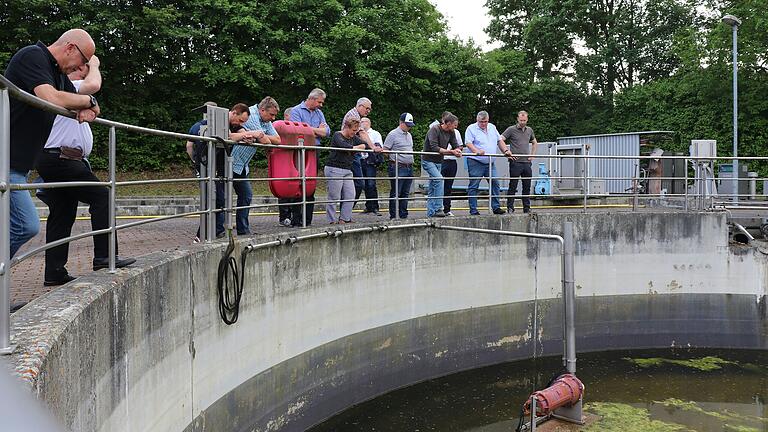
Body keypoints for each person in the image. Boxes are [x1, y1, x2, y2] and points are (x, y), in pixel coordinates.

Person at [36, 59, 135, 285]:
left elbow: (92, 98)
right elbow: (93, 87)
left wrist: (91, 106)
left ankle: (54, 272)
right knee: (102, 196)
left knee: (62, 213)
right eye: (81, 67)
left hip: (58, 158)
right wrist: (95, 66)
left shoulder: (65, 92)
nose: (82, 72)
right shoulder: (66, 88)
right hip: (61, 158)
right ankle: (104, 256)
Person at [5, 29, 100, 259]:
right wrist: (89, 101)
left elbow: (86, 104)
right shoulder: (33, 56)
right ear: (70, 48)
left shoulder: (57, 74)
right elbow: (53, 98)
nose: (80, 68)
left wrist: (91, 105)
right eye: (83, 61)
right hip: (4, 162)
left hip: (17, 166)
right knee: (26, 225)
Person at [187, 103, 257, 240]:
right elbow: (228, 136)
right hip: (208, 168)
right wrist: (199, 165)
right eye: (241, 120)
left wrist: (247, 136)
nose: (241, 123)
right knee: (214, 200)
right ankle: (202, 235)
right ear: (234, 113)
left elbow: (189, 147)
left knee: (218, 200)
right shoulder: (216, 125)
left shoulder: (228, 125)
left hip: (212, 168)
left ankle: (212, 232)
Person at [237, 96, 281, 234]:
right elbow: (264, 140)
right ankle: (219, 229)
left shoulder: (264, 120)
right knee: (223, 197)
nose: (273, 118)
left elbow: (278, 140)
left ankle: (243, 230)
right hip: (231, 161)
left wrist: (264, 138)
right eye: (272, 115)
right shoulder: (251, 115)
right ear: (262, 110)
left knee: (246, 195)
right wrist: (264, 139)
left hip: (242, 165)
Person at [325, 118, 381, 224]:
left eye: (356, 131)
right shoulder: (337, 135)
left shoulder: (353, 137)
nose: (354, 133)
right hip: (334, 168)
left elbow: (365, 145)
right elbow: (346, 147)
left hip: (347, 169)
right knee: (334, 196)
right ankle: (331, 220)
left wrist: (360, 147)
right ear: (346, 127)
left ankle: (344, 218)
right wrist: (357, 147)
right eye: (353, 131)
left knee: (351, 194)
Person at [289, 88, 331, 227]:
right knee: (298, 184)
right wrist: (316, 130)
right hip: (300, 151)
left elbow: (326, 132)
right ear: (312, 99)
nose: (321, 105)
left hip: (314, 151)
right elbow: (298, 131)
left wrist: (309, 129)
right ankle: (296, 220)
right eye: (320, 102)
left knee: (311, 184)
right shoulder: (296, 111)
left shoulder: (320, 113)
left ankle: (308, 220)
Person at [464, 111, 513, 215]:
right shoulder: (471, 128)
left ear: (488, 120)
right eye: (481, 122)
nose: (484, 124)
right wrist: (476, 151)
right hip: (475, 161)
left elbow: (499, 141)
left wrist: (506, 151)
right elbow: (468, 143)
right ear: (477, 120)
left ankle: (496, 207)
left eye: (485, 121)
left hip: (490, 162)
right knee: (474, 185)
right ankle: (473, 210)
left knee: (495, 182)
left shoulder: (492, 127)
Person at [423, 112, 462, 218]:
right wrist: (452, 152)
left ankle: (431, 213)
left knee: (433, 186)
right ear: (448, 123)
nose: (456, 127)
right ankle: (438, 208)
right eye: (454, 124)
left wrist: (458, 150)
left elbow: (455, 145)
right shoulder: (434, 130)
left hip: (439, 161)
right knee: (439, 179)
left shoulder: (451, 132)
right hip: (428, 160)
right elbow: (434, 147)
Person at [501, 110, 538, 213]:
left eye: (525, 120)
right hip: (515, 162)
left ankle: (527, 208)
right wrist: (507, 152)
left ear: (527, 119)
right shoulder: (511, 129)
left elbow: (535, 142)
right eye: (521, 120)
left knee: (527, 186)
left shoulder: (529, 130)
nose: (523, 122)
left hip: (526, 162)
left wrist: (532, 155)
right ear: (517, 119)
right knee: (513, 185)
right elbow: (500, 139)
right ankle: (510, 207)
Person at [383, 113, 416, 220]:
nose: (409, 127)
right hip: (398, 166)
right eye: (407, 125)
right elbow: (385, 150)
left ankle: (403, 215)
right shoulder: (393, 134)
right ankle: (394, 215)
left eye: (410, 125)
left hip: (409, 167)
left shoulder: (409, 135)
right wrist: (393, 160)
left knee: (405, 193)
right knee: (396, 192)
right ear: (401, 123)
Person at [341, 97, 373, 208]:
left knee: (356, 184)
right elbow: (362, 134)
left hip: (353, 152)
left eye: (370, 109)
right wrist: (373, 147)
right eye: (367, 108)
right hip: (350, 153)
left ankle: (346, 213)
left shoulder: (355, 115)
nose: (368, 111)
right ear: (360, 106)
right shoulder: (353, 116)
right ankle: (345, 213)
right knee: (358, 184)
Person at [359, 117, 383, 215]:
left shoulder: (375, 134)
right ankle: (369, 206)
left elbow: (379, 146)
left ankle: (375, 206)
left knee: (371, 184)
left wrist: (368, 145)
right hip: (360, 160)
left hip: (370, 161)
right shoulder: (358, 133)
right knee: (364, 184)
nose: (360, 123)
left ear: (368, 123)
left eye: (362, 122)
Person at [277, 107, 293, 226]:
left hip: (292, 161)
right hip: (282, 161)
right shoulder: (280, 127)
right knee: (283, 191)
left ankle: (290, 216)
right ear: (286, 116)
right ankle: (283, 217)